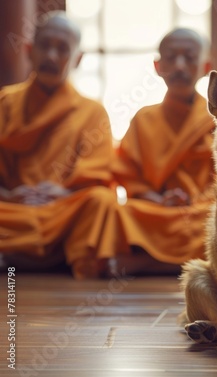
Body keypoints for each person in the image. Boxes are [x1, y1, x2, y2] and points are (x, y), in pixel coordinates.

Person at [0, 11, 119, 279]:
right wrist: (10, 195)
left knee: (100, 202)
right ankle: (53, 256)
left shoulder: (92, 112)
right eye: (45, 46)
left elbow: (97, 178)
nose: (52, 56)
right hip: (12, 206)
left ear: (77, 59)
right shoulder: (5, 103)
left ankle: (16, 256)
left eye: (62, 49)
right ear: (29, 50)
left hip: (62, 209)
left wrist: (61, 192)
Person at [112, 28, 215, 274]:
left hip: (202, 210)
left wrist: (196, 202)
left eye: (189, 57)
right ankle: (197, 265)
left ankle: (148, 264)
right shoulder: (143, 119)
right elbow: (128, 175)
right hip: (157, 210)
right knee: (114, 212)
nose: (180, 66)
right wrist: (158, 200)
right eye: (171, 57)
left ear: (205, 66)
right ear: (158, 66)